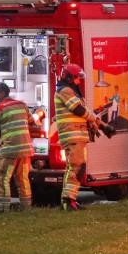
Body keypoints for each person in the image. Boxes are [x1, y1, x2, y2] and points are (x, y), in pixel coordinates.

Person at [54, 63, 109, 212]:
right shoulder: (65, 90)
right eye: (77, 78)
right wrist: (96, 121)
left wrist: (101, 125)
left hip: (76, 135)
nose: (79, 81)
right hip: (73, 134)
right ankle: (68, 201)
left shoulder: (70, 91)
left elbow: (84, 111)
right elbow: (78, 110)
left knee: (74, 167)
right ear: (69, 77)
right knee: (77, 166)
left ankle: (69, 200)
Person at [0, 81, 33, 212]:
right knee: (22, 178)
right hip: (25, 149)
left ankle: (3, 208)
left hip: (10, 150)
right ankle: (26, 206)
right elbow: (31, 121)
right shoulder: (22, 105)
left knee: (3, 177)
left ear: (2, 93)